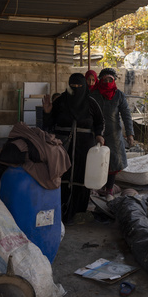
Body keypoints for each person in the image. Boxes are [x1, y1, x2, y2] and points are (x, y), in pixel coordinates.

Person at [43, 73, 105, 224]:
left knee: (82, 178)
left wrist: (99, 135)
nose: (76, 89)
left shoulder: (91, 103)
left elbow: (100, 122)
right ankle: (61, 210)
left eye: (79, 86)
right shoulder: (60, 102)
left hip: (84, 148)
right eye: (73, 86)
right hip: (62, 147)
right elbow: (48, 125)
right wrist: (47, 112)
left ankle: (78, 211)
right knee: (61, 176)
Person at [90, 68, 135, 201]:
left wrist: (130, 134)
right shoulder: (93, 94)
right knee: (96, 161)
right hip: (95, 133)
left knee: (113, 164)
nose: (108, 82)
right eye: (105, 80)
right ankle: (95, 188)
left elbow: (126, 115)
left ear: (114, 80)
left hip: (114, 134)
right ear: (101, 80)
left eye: (111, 79)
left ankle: (109, 190)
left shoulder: (119, 95)